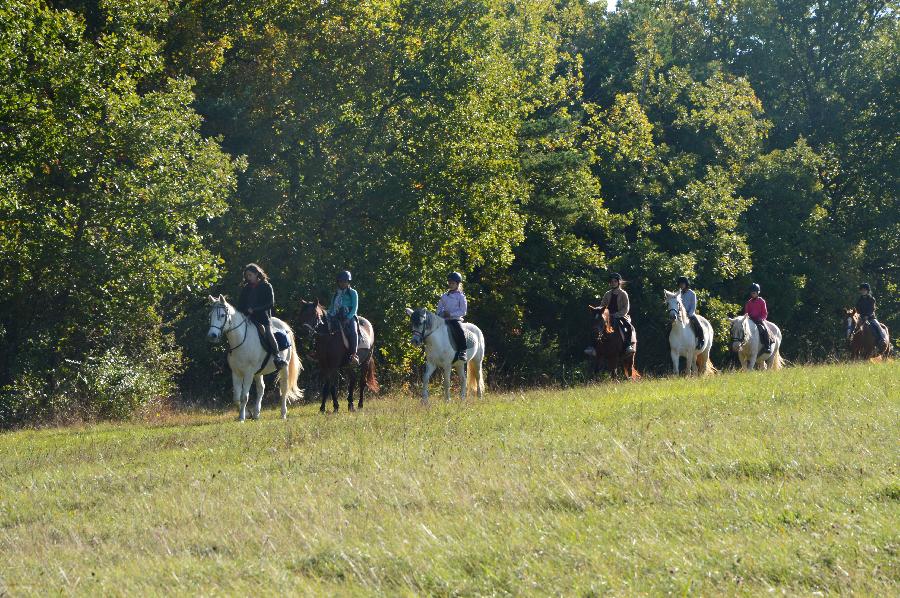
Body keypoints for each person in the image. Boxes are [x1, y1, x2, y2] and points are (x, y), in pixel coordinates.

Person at [237, 263, 286, 369]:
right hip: (247, 317)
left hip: (263, 318)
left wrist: (254, 310)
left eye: (250, 275)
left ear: (256, 274)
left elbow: (270, 303)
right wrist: (244, 311)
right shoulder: (246, 288)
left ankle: (277, 357)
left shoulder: (266, 286)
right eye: (246, 276)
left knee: (268, 332)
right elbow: (240, 304)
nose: (248, 278)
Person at [328, 270, 360, 365]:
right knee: (321, 327)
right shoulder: (335, 294)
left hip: (349, 316)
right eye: (341, 281)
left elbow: (355, 307)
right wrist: (328, 315)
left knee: (353, 332)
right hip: (336, 316)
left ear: (348, 282)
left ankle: (353, 355)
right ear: (338, 282)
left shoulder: (353, 293)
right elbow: (331, 307)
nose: (343, 283)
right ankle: (317, 352)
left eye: (345, 281)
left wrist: (349, 318)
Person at [599, 273, 635, 353]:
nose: (613, 283)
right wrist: (598, 310)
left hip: (620, 315)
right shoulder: (607, 294)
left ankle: (628, 345)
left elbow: (626, 308)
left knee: (628, 326)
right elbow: (602, 305)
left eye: (615, 281)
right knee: (595, 326)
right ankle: (593, 346)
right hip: (608, 316)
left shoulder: (623, 294)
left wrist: (616, 315)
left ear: (618, 282)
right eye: (611, 282)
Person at [437, 272, 468, 362]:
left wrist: (451, 314)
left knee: (459, 330)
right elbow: (438, 310)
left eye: (453, 283)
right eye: (449, 283)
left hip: (455, 319)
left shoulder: (461, 297)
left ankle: (463, 351)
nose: (450, 285)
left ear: (457, 284)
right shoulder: (444, 296)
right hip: (444, 319)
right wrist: (442, 313)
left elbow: (463, 311)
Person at [743, 283, 773, 354]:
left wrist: (762, 319)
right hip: (751, 320)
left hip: (759, 319)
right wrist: (747, 318)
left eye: (754, 293)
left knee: (764, 329)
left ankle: (767, 346)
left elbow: (765, 313)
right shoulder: (749, 302)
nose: (753, 294)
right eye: (752, 293)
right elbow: (747, 313)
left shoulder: (762, 301)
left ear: (757, 292)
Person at [677, 276, 705, 350]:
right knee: (669, 326)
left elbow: (693, 306)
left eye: (682, 284)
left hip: (690, 314)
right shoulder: (678, 293)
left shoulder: (692, 293)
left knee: (698, 326)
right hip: (679, 315)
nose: (681, 285)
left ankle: (700, 341)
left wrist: (688, 314)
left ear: (686, 284)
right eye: (680, 284)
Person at [856, 283, 886, 349]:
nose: (863, 291)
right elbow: (857, 309)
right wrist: (859, 315)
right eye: (862, 290)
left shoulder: (872, 299)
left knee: (877, 326)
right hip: (861, 318)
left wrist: (867, 315)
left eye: (864, 290)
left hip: (871, 318)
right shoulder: (859, 300)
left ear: (867, 291)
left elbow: (872, 309)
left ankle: (882, 339)